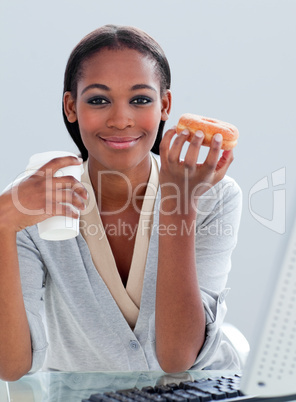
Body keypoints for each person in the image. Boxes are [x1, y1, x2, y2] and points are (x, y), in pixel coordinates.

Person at [0, 24, 242, 381]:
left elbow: (177, 358)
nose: (120, 119)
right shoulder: (28, 205)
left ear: (165, 106)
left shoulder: (214, 194)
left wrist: (179, 200)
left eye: (141, 99)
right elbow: (10, 365)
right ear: (71, 106)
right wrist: (3, 225)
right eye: (98, 100)